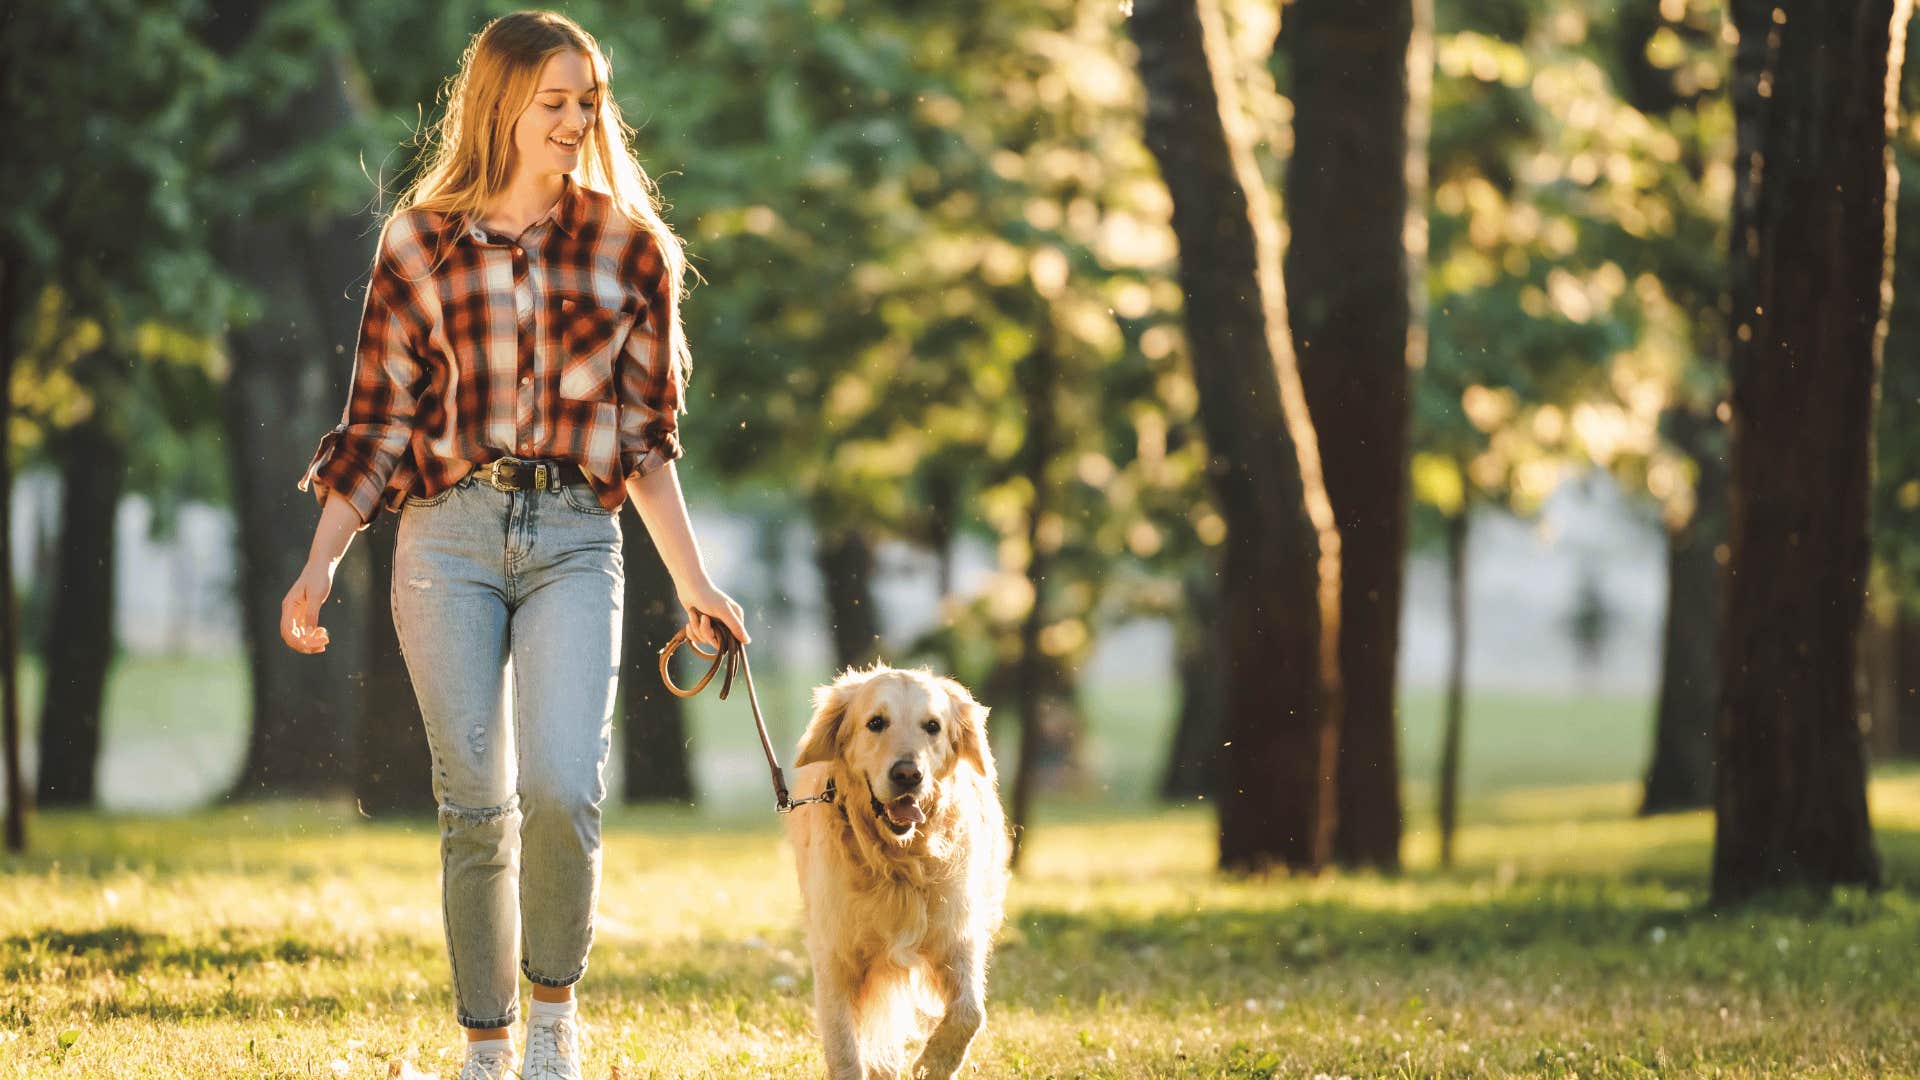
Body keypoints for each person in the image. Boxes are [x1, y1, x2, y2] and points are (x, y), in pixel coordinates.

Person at [276, 11, 749, 1079]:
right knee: (476, 798)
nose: (579, 120)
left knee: (563, 792)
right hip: (445, 539)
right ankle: (487, 1045)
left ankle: (550, 1019)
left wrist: (696, 583)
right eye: (556, 102)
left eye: (589, 100)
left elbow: (644, 445)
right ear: (500, 106)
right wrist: (322, 560)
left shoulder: (632, 250)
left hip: (579, 537)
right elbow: (377, 425)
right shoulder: (420, 239)